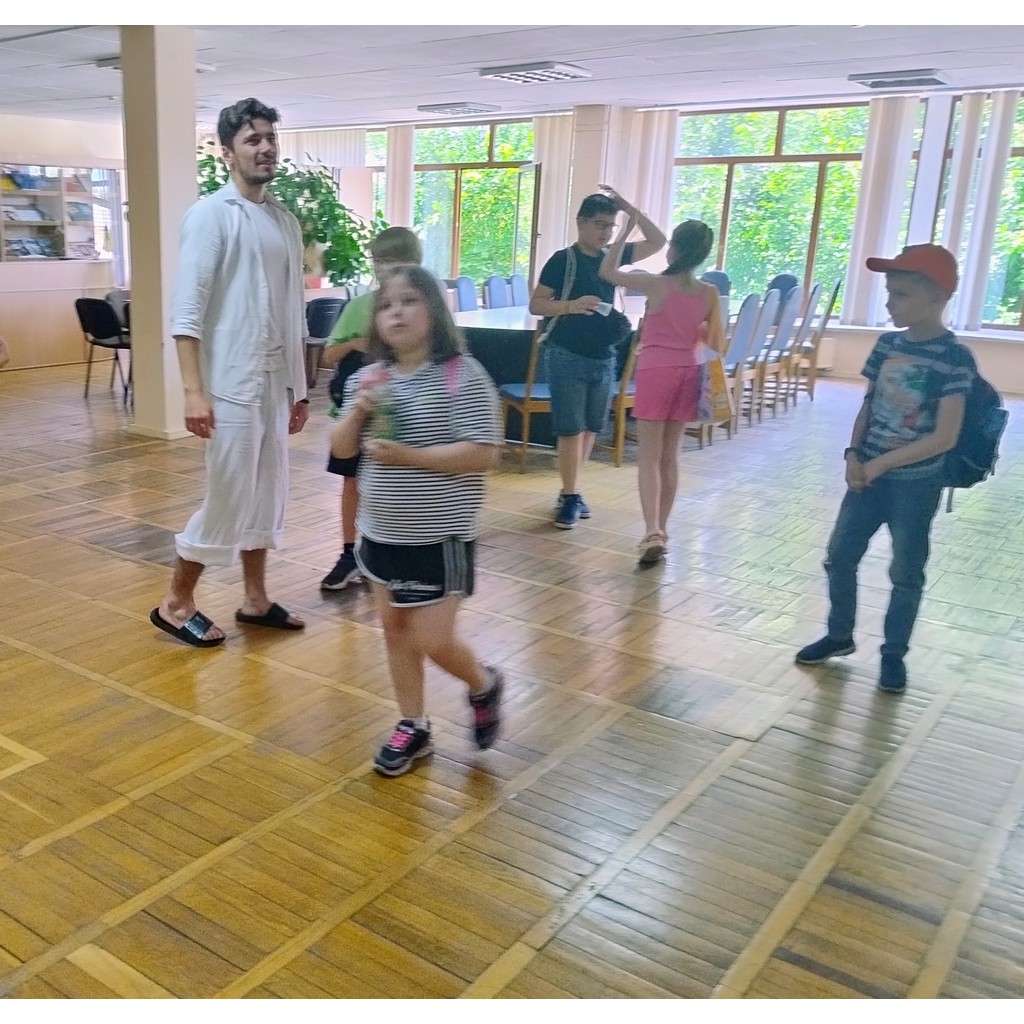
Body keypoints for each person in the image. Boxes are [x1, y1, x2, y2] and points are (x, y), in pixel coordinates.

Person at [330, 264, 504, 777]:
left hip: (438, 536)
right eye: (386, 305)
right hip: (379, 532)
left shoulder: (462, 374)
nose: (397, 312)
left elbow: (483, 452)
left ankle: (483, 684)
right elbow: (342, 450)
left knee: (433, 639)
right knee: (394, 629)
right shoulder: (368, 378)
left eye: (409, 300)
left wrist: (410, 457)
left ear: (433, 309)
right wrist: (356, 413)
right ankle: (413, 723)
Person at [151, 97, 309, 648]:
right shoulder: (210, 216)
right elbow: (186, 312)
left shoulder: (283, 220)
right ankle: (176, 602)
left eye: (270, 138)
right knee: (229, 494)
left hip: (273, 383)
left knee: (267, 494)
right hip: (230, 385)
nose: (265, 148)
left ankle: (255, 599)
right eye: (252, 140)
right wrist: (194, 392)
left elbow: (292, 312)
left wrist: (298, 389)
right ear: (227, 152)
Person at [795, 244, 975, 693]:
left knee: (906, 571)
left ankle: (894, 654)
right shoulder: (887, 345)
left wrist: (882, 463)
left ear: (937, 298)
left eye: (901, 294)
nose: (890, 303)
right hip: (868, 475)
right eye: (889, 293)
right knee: (840, 557)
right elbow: (869, 405)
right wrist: (854, 455)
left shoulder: (954, 357)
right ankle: (839, 634)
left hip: (915, 484)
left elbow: (945, 436)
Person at [529, 186, 666, 530]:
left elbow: (658, 241)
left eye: (610, 226)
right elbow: (537, 305)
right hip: (566, 353)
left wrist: (628, 208)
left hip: (604, 355)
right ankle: (569, 494)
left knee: (591, 427)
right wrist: (571, 306)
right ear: (581, 222)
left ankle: (572, 490)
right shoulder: (562, 260)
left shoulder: (613, 257)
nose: (605, 232)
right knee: (570, 429)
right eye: (599, 224)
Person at [600, 217, 724, 566]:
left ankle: (651, 529)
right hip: (689, 372)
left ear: (675, 249)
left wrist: (626, 231)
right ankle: (663, 530)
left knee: (649, 458)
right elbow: (716, 344)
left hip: (655, 372)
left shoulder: (655, 284)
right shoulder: (710, 293)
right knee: (670, 458)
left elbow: (608, 271)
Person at [320, 226, 424, 591]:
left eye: (394, 260)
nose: (384, 268)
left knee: (401, 483)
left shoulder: (426, 308)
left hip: (404, 416)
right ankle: (350, 553)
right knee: (352, 481)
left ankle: (395, 551)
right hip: (358, 413)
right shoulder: (359, 307)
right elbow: (329, 354)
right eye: (379, 260)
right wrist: (357, 343)